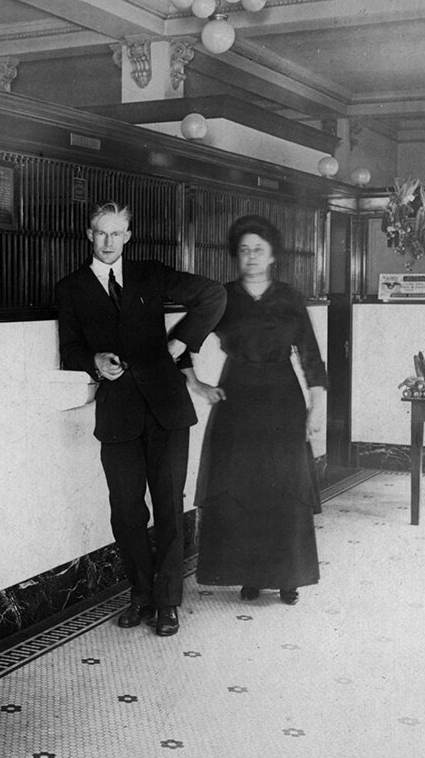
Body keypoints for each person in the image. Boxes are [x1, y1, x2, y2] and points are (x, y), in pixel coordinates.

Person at [56, 202, 225, 637]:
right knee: (126, 510)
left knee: (168, 506)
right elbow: (69, 349)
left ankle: (167, 602)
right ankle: (141, 595)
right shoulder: (71, 288)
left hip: (167, 410)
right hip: (118, 414)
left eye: (116, 233)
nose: (108, 241)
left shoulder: (150, 273)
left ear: (128, 236)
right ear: (89, 234)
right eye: (101, 233)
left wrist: (180, 343)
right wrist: (94, 360)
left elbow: (214, 295)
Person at [184, 214, 327, 604]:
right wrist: (197, 384)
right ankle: (250, 574)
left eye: (258, 250)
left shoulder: (290, 298)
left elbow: (311, 357)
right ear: (236, 255)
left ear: (272, 256)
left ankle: (287, 578)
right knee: (243, 486)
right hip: (237, 400)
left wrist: (317, 406)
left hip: (283, 400)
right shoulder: (223, 297)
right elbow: (183, 340)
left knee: (285, 486)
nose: (251, 257)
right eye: (244, 250)